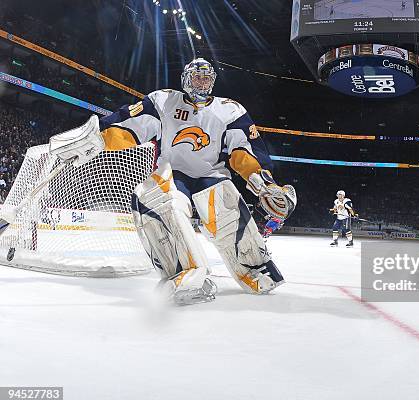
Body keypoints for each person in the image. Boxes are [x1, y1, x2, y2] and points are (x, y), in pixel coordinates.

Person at [48, 58, 297, 305]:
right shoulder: (163, 101)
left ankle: (255, 268)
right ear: (186, 79)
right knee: (153, 202)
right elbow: (129, 127)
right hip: (173, 174)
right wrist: (98, 138)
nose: (202, 83)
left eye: (206, 78)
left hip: (212, 176)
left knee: (226, 204)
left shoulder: (230, 110)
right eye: (197, 77)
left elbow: (243, 151)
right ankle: (184, 274)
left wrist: (264, 183)